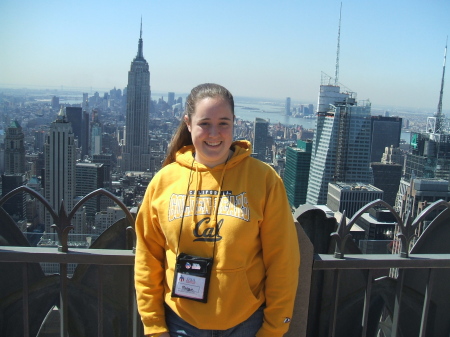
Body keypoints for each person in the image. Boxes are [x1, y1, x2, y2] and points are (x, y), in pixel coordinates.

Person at [134, 83, 300, 337]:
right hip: (180, 323)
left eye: (223, 123)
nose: (214, 133)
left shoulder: (264, 180)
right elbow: (148, 260)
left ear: (235, 123)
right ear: (188, 124)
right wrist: (155, 326)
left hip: (247, 323)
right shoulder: (163, 182)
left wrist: (274, 328)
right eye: (204, 123)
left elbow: (283, 261)